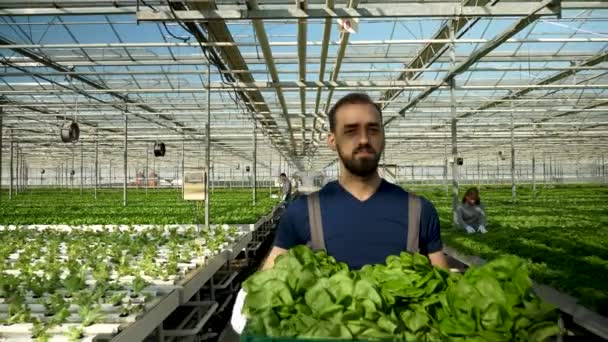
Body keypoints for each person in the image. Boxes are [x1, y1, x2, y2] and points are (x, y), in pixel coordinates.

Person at [231, 92, 449, 334]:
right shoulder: (302, 211)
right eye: (351, 131)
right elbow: (267, 284)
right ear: (332, 141)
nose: (364, 139)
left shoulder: (420, 210)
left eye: (373, 129)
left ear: (383, 137)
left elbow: (444, 292)